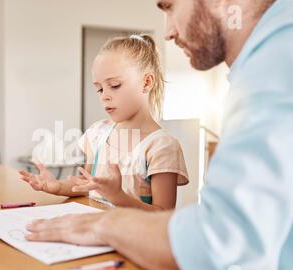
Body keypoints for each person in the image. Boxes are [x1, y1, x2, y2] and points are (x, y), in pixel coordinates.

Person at [24, 0, 293, 270]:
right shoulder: (271, 59)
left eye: (170, 6)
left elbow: (218, 251)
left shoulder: (284, 58)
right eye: (99, 88)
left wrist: (107, 222)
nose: (168, 32)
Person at [20, 34, 188, 211]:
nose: (104, 96)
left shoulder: (161, 147)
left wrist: (118, 197)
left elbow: (164, 215)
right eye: (99, 88)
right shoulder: (98, 133)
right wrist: (57, 187)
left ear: (146, 83)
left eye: (114, 85)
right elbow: (87, 185)